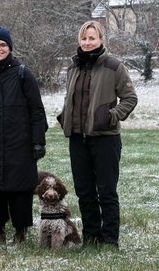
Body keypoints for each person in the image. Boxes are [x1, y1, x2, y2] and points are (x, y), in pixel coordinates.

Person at [58, 20, 138, 249]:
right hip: (77, 138)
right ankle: (91, 238)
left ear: (101, 39)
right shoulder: (73, 68)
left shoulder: (114, 67)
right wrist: (65, 116)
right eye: (83, 38)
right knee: (84, 191)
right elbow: (71, 98)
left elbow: (130, 99)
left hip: (105, 138)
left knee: (107, 191)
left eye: (92, 38)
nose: (87, 42)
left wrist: (112, 116)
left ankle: (110, 239)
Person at [0, 27, 47, 244]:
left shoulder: (23, 73)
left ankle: (21, 230)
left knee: (21, 188)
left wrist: (38, 141)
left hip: (20, 141)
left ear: (10, 48)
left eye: (2, 45)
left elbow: (37, 110)